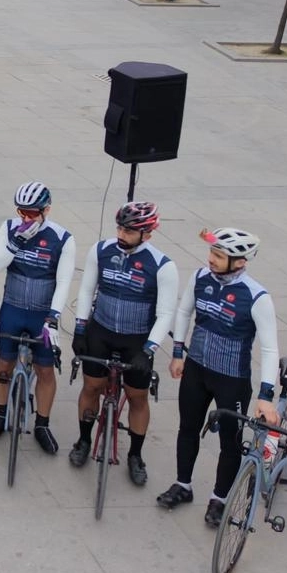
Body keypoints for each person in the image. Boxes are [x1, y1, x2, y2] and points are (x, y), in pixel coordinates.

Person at [155, 228, 280, 526]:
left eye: (219, 256)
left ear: (240, 262)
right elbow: (184, 313)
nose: (211, 259)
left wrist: (265, 396)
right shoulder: (200, 278)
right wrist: (177, 353)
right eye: (212, 252)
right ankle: (183, 485)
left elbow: (269, 348)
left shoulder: (257, 296)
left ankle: (220, 499)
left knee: (230, 443)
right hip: (196, 370)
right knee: (187, 428)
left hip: (232, 381)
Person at [69, 201, 178, 486]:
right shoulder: (101, 251)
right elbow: (86, 290)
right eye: (119, 228)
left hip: (136, 340)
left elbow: (166, 314)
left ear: (147, 234)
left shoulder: (163, 266)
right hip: (101, 331)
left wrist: (148, 349)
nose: (121, 234)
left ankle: (135, 455)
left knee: (138, 397)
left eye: (129, 231)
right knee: (91, 387)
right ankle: (83, 440)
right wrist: (80, 329)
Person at [0, 182, 75, 454]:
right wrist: (16, 242)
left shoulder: (62, 238)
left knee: (45, 370)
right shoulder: (10, 228)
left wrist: (53, 317)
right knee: (4, 363)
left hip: (41, 314)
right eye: (21, 211)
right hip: (13, 308)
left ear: (47, 210)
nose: (25, 218)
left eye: (32, 213)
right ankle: (0, 412)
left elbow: (64, 282)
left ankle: (42, 425)